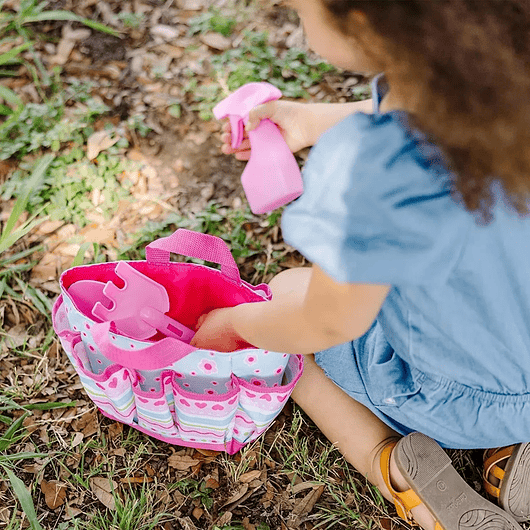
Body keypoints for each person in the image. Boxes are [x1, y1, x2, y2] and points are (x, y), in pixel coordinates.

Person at [190, 1, 530, 529]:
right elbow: (434, 111)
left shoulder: (376, 173)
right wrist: (310, 120)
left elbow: (329, 322)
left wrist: (235, 323)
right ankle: (510, 447)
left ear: (363, 22)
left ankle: (393, 468)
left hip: (450, 398)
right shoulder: (508, 77)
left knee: (285, 299)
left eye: (299, 10)